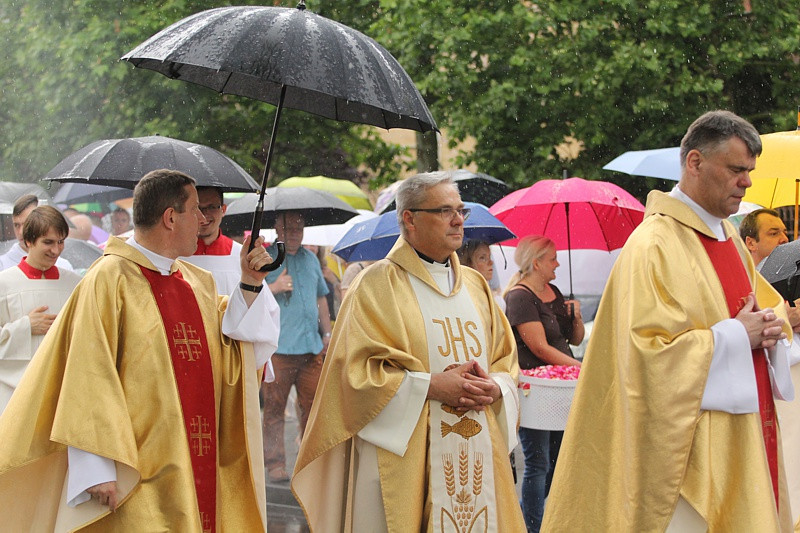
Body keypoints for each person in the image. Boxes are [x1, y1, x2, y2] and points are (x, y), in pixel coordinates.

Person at [542, 110, 796, 531]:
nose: (747, 183)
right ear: (695, 163)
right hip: (687, 453)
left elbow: (764, 312)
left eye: (749, 171)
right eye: (736, 170)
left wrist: (773, 327)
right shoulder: (653, 245)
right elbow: (647, 357)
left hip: (742, 432)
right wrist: (736, 336)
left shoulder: (729, 237)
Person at [0, 169, 281, 531]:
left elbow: (230, 350)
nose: (202, 219)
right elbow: (86, 371)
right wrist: (95, 466)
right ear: (169, 217)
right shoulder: (109, 278)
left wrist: (250, 284)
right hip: (134, 464)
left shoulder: (197, 282)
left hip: (194, 456)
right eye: (195, 209)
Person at [292, 171, 525, 531]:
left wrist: (495, 388)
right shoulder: (375, 286)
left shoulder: (477, 287)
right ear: (409, 219)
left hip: (476, 452)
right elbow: (354, 376)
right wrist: (431, 386)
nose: (458, 220)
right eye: (445, 211)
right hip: (404, 457)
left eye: (460, 210)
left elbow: (505, 363)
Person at [502, 235, 583, 532]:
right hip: (537, 389)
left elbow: (572, 340)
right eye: (552, 259)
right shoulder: (520, 297)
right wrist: (583, 368)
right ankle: (531, 526)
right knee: (538, 462)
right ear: (536, 263)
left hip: (562, 385)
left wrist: (575, 317)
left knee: (558, 459)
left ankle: (540, 518)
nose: (558, 263)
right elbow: (538, 347)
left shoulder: (555, 291)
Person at [262, 211, 331, 483]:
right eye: (288, 227)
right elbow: (247, 296)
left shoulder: (311, 258)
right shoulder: (265, 258)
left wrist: (326, 333)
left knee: (313, 408)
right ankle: (275, 464)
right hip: (278, 349)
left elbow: (321, 299)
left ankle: (309, 461)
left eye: (299, 228)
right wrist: (274, 286)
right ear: (276, 228)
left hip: (310, 348)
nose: (293, 233)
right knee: (274, 409)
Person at [0, 206, 81, 414]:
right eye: (48, 242)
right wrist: (25, 326)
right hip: (13, 396)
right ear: (28, 241)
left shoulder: (76, 284)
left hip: (62, 393)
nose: (56, 250)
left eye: (60, 242)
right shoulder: (4, 284)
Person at [180, 186, 243, 295]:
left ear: (223, 210)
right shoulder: (175, 254)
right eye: (198, 208)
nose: (204, 215)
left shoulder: (240, 255)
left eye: (211, 207)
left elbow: (261, 306)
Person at [0, 195, 72, 272]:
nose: (21, 232)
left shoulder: (65, 267)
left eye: (27, 223)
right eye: (16, 225)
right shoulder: (2, 265)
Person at [458, 238, 505, 311]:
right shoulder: (463, 297)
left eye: (489, 256)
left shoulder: (494, 297)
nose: (491, 263)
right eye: (482, 258)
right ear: (469, 263)